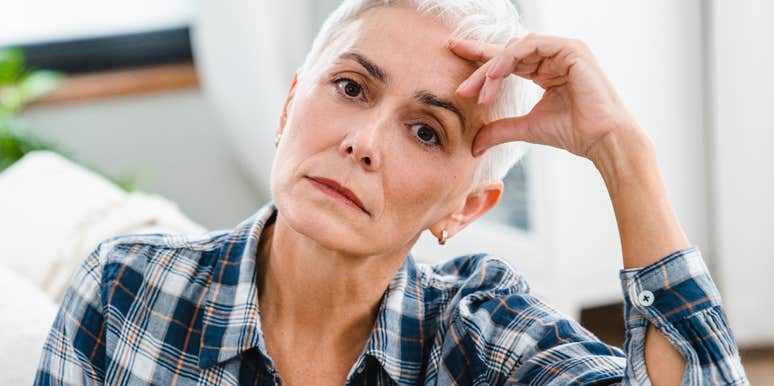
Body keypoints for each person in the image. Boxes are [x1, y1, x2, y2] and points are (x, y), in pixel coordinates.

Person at [35, 0, 749, 385]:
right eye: (351, 87)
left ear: (465, 208)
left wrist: (625, 155)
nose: (365, 141)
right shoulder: (123, 287)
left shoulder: (484, 336)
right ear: (289, 109)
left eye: (427, 131)